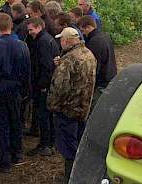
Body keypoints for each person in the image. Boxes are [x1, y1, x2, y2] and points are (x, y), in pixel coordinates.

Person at [0, 13, 31, 172]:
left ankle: (4, 160)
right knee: (15, 120)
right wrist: (25, 91)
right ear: (11, 27)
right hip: (16, 89)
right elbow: (27, 71)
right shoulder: (22, 46)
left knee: (0, 125)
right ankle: (17, 153)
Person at [47, 27, 96, 183]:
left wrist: (52, 105)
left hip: (67, 109)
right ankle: (82, 171)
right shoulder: (88, 54)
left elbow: (59, 87)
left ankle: (70, 177)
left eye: (61, 39)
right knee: (79, 140)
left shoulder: (69, 60)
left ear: (66, 41)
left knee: (68, 146)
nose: (60, 42)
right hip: (83, 107)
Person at [24, 18, 60, 157]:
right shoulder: (43, 39)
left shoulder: (43, 42)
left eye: (31, 29)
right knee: (46, 115)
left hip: (44, 86)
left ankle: (46, 144)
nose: (29, 32)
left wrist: (42, 86)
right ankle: (49, 142)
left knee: (44, 115)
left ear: (39, 27)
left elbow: (46, 66)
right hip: (44, 84)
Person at [77, 15, 117, 109]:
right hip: (110, 76)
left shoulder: (94, 42)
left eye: (83, 31)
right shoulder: (104, 36)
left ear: (88, 27)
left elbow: (94, 65)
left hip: (101, 82)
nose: (83, 34)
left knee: (95, 110)